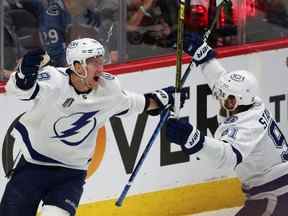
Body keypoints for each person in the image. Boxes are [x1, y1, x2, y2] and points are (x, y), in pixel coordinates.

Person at [0, 38, 187, 216]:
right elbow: (20, 91)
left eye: (101, 60)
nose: (100, 67)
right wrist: (23, 77)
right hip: (33, 166)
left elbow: (136, 103)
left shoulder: (108, 89)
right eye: (93, 62)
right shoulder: (53, 80)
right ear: (77, 66)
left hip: (70, 175)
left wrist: (164, 98)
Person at [165, 32, 288, 216]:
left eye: (228, 98)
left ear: (239, 100)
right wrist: (204, 55)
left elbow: (226, 156)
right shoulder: (249, 103)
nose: (222, 99)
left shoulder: (248, 125)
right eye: (224, 95)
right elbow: (220, 81)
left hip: (275, 194)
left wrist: (192, 139)